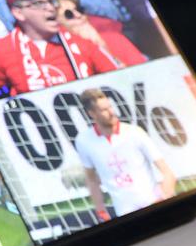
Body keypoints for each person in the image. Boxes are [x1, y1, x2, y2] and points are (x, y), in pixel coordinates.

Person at [0, 0, 117, 94]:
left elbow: (116, 81)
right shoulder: (0, 50)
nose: (50, 8)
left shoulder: (81, 41)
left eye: (51, 1)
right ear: (18, 13)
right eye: (39, 3)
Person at [74, 88, 176, 219]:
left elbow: (168, 173)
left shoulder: (135, 133)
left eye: (110, 107)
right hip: (124, 213)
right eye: (104, 110)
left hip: (154, 203)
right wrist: (101, 210)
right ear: (92, 114)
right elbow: (92, 179)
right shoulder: (83, 141)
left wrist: (163, 199)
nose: (111, 112)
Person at [55, 0, 143, 67]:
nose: (79, 15)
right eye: (69, 14)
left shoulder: (115, 38)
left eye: (79, 10)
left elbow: (142, 70)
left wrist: (103, 47)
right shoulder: (65, 56)